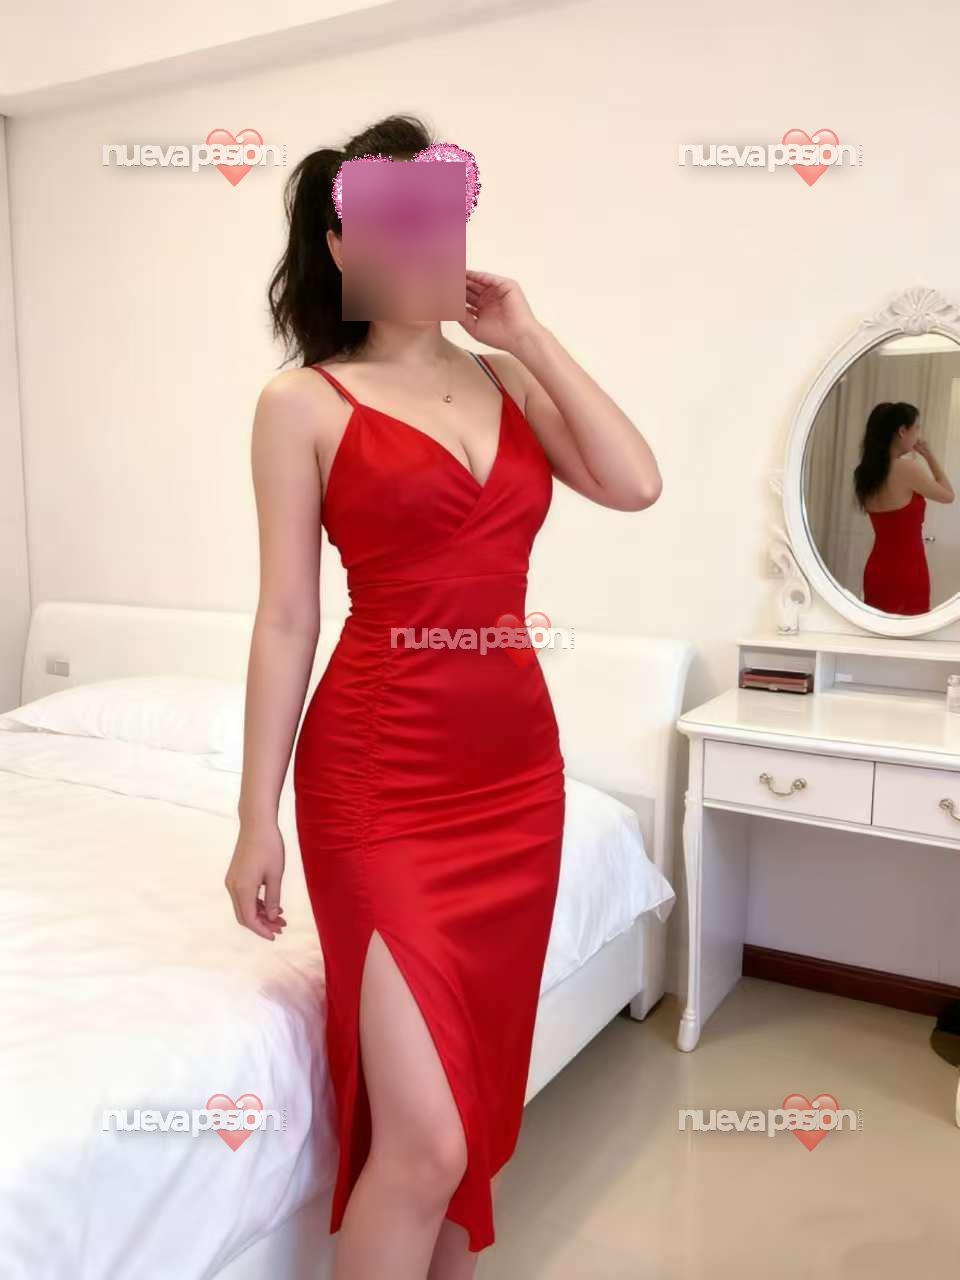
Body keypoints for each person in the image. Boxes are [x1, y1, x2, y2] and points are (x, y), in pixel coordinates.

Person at [224, 113, 661, 1280]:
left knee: (471, 1107)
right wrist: (256, 813)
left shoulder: (506, 376)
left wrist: (528, 332)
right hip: (380, 779)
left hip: (515, 780)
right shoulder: (303, 403)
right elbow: (286, 617)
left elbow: (635, 481)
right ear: (342, 245)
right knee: (423, 1141)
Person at [854, 401, 954, 615]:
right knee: (910, 632)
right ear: (902, 431)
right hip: (907, 570)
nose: (918, 435)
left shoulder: (864, 472)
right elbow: (948, 495)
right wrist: (929, 455)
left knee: (878, 631)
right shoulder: (906, 468)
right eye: (916, 428)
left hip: (877, 569)